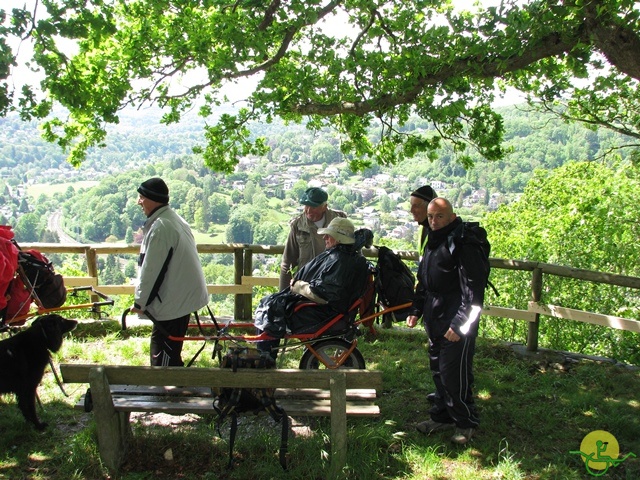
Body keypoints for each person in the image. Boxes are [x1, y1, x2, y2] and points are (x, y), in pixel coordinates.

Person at [406, 197, 486, 445]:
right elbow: (425, 282)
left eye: (439, 216)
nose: (434, 221)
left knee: (454, 374)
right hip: (435, 317)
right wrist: (416, 309)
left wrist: (460, 324)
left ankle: (465, 422)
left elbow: (474, 291)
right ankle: (442, 416)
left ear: (452, 217)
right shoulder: (433, 241)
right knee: (438, 371)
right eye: (430, 216)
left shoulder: (462, 243)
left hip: (456, 321)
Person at [256, 217, 371, 359]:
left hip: (320, 313)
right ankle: (266, 354)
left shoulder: (339, 261)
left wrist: (298, 286)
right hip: (327, 310)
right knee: (271, 302)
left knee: (270, 307)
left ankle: (265, 356)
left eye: (329, 235)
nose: (325, 237)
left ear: (339, 239)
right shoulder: (344, 258)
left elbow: (322, 295)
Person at [130, 177, 209, 367]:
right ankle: (175, 389)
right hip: (181, 297)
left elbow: (151, 270)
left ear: (152, 199)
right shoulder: (172, 219)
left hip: (173, 302)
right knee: (169, 350)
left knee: (163, 360)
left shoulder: (161, 227)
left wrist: (140, 302)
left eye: (141, 197)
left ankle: (170, 393)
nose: (138, 202)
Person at [279, 187, 346, 291]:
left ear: (324, 207)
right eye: (306, 206)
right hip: (306, 286)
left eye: (313, 207)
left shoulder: (340, 221)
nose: (309, 211)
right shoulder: (298, 225)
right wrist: (282, 294)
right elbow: (287, 263)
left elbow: (353, 253)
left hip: (334, 286)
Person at [409, 185, 437, 258]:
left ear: (430, 208)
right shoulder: (423, 228)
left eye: (416, 206)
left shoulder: (440, 231)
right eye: (411, 205)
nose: (411, 210)